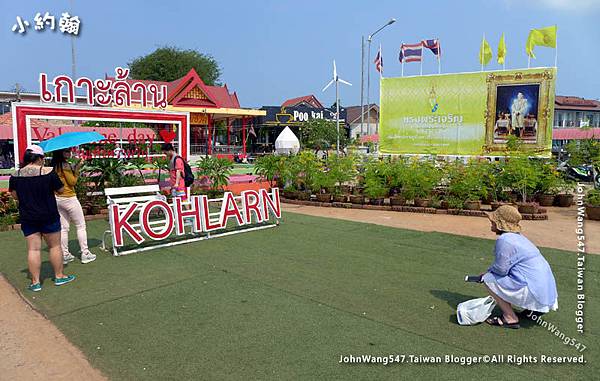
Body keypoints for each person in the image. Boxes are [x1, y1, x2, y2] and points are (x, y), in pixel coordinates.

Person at [9, 145, 76, 292]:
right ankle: (59, 276)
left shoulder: (15, 175)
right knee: (55, 246)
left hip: (28, 217)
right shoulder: (49, 172)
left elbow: (15, 196)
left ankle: (35, 282)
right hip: (49, 215)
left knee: (33, 249)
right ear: (40, 158)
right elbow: (60, 190)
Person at [482, 205, 558, 329]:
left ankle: (510, 317)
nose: (491, 223)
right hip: (546, 290)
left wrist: (486, 273)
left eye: (493, 221)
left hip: (533, 290)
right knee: (499, 276)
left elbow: (501, 270)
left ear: (500, 223)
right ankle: (533, 309)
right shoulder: (519, 238)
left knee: (488, 278)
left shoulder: (505, 240)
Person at [51, 149, 96, 264]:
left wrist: (74, 167)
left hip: (58, 198)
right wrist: (77, 169)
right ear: (61, 152)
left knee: (64, 228)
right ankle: (85, 253)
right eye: (67, 151)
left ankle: (65, 254)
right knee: (81, 225)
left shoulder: (53, 165)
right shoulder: (64, 165)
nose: (69, 153)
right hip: (69, 197)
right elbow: (72, 182)